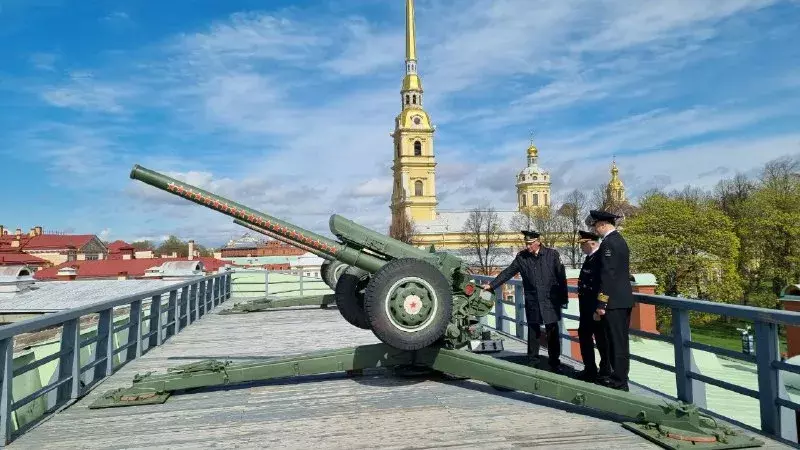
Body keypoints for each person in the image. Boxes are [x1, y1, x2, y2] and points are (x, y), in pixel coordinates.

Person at [481, 230, 568, 372]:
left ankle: (554, 362)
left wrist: (563, 298)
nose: (528, 246)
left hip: (549, 300)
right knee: (533, 331)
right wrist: (492, 285)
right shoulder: (522, 257)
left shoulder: (552, 255)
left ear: (538, 242)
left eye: (530, 243)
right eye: (526, 243)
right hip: (533, 299)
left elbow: (561, 276)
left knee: (552, 330)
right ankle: (533, 360)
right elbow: (508, 272)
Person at [585, 210, 634, 391]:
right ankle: (618, 378)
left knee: (616, 342)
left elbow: (608, 276)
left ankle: (620, 381)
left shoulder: (608, 244)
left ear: (602, 224)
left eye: (596, 225)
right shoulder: (618, 240)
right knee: (617, 341)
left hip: (614, 302)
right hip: (621, 300)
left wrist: (601, 303)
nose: (595, 229)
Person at [575, 229, 611, 383]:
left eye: (583, 244)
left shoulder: (600, 258)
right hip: (586, 306)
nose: (581, 247)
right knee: (584, 336)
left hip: (596, 307)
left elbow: (605, 284)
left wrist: (600, 306)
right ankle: (590, 369)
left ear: (591, 243)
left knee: (602, 340)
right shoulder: (590, 257)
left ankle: (605, 372)